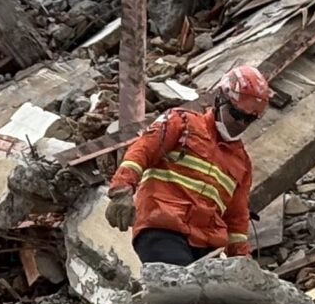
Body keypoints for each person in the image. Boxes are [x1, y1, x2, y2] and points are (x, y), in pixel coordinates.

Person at [103, 65, 270, 264]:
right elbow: (142, 151)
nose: (241, 123)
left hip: (207, 244)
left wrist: (242, 260)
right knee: (180, 279)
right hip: (162, 228)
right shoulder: (181, 123)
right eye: (236, 114)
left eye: (249, 119)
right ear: (220, 99)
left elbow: (237, 219)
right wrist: (122, 190)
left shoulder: (242, 163)